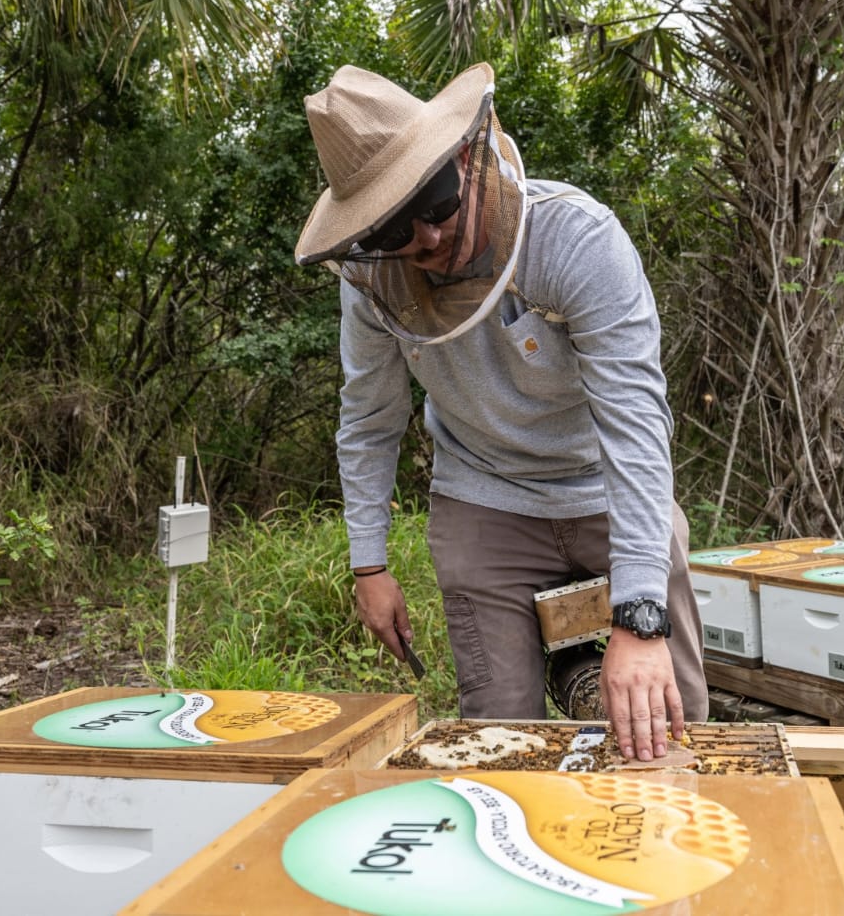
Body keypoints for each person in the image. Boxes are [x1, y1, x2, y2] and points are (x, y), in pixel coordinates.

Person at [293, 62, 708, 761]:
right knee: (500, 740)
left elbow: (635, 421)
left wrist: (639, 618)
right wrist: (369, 566)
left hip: (603, 487)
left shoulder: (575, 239)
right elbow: (369, 418)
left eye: (436, 203)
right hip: (482, 494)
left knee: (672, 720)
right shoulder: (369, 284)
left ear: (466, 159)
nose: (424, 238)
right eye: (393, 230)